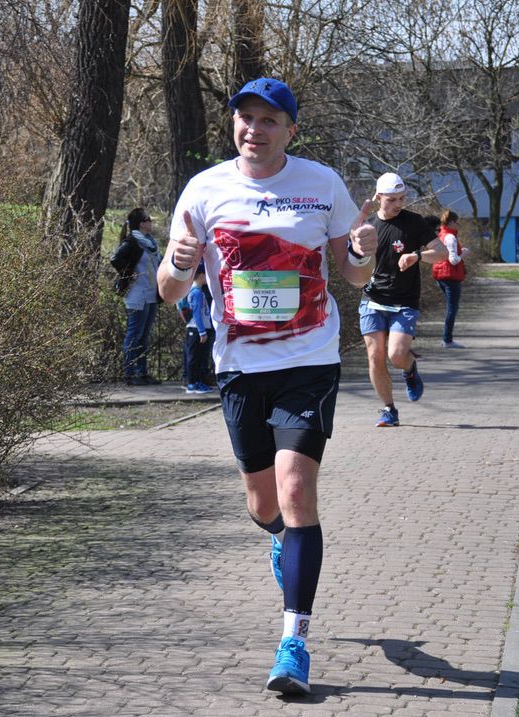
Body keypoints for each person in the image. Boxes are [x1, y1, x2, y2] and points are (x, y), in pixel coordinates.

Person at [157, 77, 377, 695]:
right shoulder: (204, 190)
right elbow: (169, 291)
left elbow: (353, 276)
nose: (254, 129)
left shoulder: (321, 184)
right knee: (264, 505)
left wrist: (364, 253)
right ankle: (282, 540)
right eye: (245, 118)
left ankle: (293, 642)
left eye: (268, 120)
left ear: (290, 130)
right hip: (239, 366)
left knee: (296, 488)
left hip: (308, 360)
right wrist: (179, 263)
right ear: (234, 125)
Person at [358, 173, 446, 427]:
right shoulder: (368, 226)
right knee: (375, 356)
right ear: (378, 197)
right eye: (392, 199)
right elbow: (353, 258)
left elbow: (441, 252)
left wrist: (417, 256)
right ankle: (388, 409)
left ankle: (409, 369)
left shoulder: (414, 222)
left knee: (396, 355)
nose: (398, 204)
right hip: (372, 299)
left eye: (401, 198)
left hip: (404, 302)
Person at [114, 208, 163, 385]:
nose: (151, 222)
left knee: (143, 336)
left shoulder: (150, 243)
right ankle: (129, 374)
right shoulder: (132, 241)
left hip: (150, 294)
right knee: (134, 335)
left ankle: (142, 373)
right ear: (142, 223)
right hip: (137, 295)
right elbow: (115, 259)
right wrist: (128, 273)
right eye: (149, 219)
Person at [430, 208, 470, 349]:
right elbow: (453, 260)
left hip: (440, 274)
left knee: (451, 307)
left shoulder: (441, 235)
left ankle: (447, 339)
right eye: (457, 222)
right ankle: (447, 340)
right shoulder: (450, 238)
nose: (458, 225)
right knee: (452, 308)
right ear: (451, 222)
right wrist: (464, 254)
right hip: (450, 275)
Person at [182, 264, 215, 394]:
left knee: (200, 357)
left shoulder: (199, 291)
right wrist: (202, 331)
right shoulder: (196, 292)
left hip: (200, 328)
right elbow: (197, 313)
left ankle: (198, 382)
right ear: (201, 275)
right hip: (195, 329)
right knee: (193, 357)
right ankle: (192, 384)